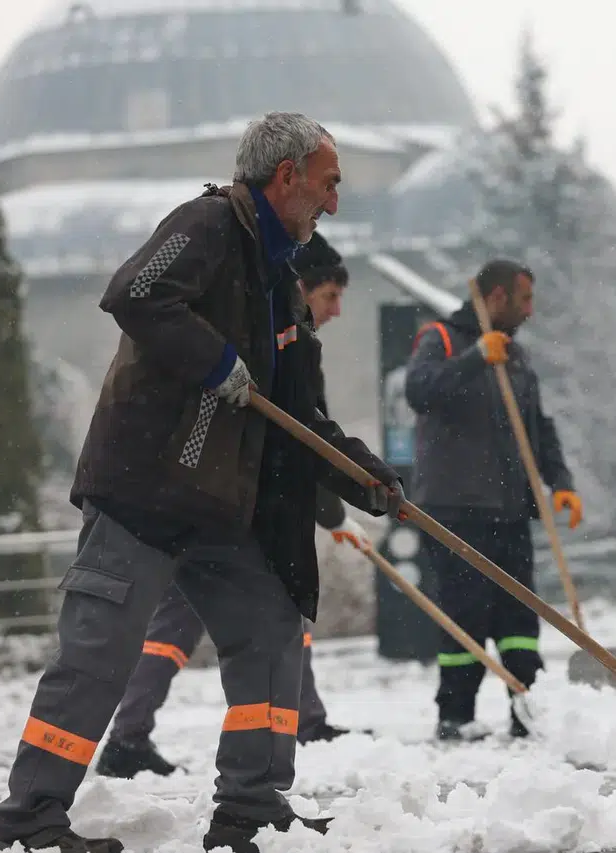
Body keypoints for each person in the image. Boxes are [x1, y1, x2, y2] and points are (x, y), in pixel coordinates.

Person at [0, 112, 404, 853]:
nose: (334, 202)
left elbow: (298, 416)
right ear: (286, 177)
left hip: (216, 508)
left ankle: (249, 805)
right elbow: (135, 294)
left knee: (272, 626)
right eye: (328, 183)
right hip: (144, 490)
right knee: (99, 652)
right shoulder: (210, 224)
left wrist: (365, 476)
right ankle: (31, 820)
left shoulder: (280, 281)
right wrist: (215, 363)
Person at [92, 235, 373, 783]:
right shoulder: (279, 338)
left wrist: (335, 511)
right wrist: (335, 511)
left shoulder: (285, 335)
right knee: (271, 619)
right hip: (224, 508)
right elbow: (303, 439)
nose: (337, 308)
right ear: (304, 288)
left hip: (208, 500)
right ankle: (139, 739)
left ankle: (133, 735)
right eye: (332, 294)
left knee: (199, 627)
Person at [403, 259, 582, 742]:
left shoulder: (516, 357)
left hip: (508, 508)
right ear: (497, 297)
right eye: (524, 299)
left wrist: (559, 481)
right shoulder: (439, 338)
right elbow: (418, 391)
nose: (530, 310)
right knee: (466, 614)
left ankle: (528, 710)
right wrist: (475, 358)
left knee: (519, 617)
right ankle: (455, 715)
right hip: (455, 511)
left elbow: (537, 427)